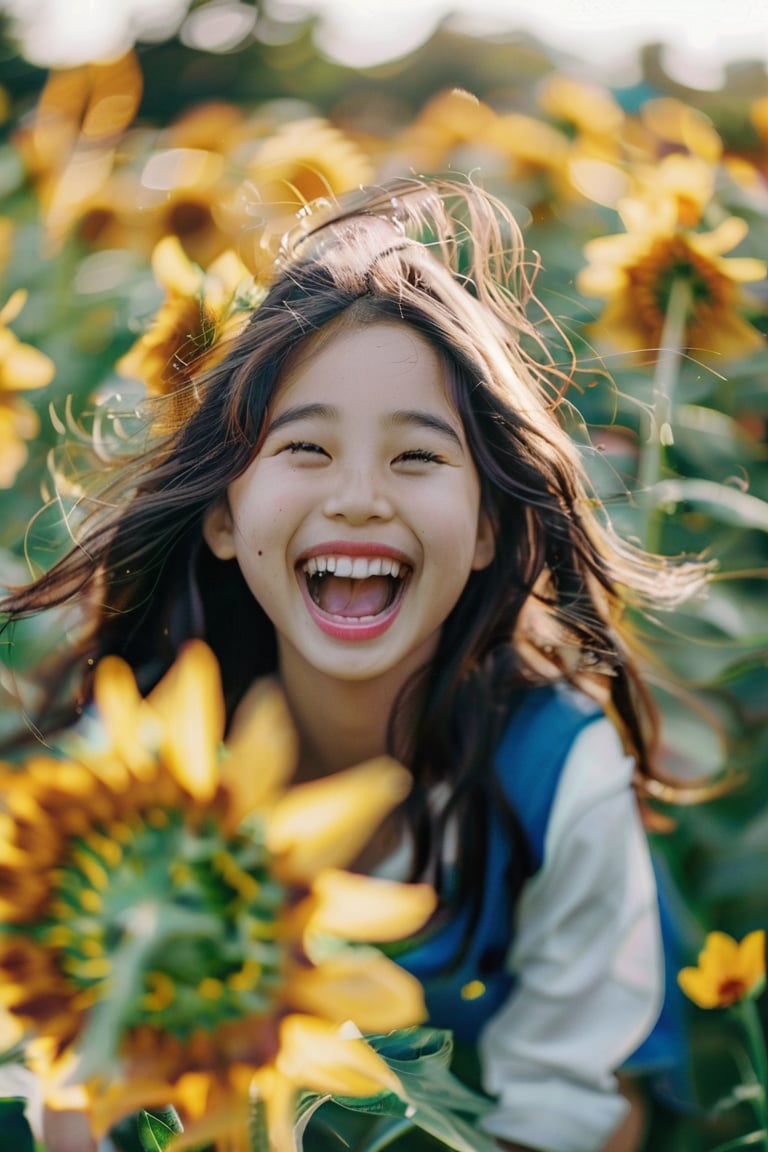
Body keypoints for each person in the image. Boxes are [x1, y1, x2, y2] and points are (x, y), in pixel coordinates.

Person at [0, 176, 707, 1152]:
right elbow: (67, 1064)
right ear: (221, 513)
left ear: (493, 527)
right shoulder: (131, 768)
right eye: (305, 448)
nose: (361, 498)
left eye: (417, 458)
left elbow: (582, 1112)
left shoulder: (559, 776)